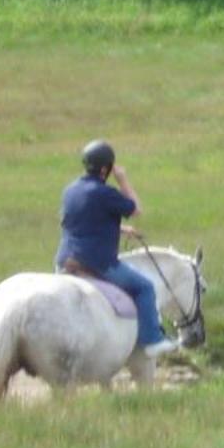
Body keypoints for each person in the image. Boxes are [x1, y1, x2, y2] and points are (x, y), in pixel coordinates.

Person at [56, 140, 178, 358]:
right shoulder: (106, 193)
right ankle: (152, 340)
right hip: (96, 263)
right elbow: (136, 208)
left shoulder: (70, 190)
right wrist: (122, 179)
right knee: (145, 287)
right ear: (106, 169)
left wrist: (120, 229)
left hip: (64, 260)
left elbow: (82, 221)